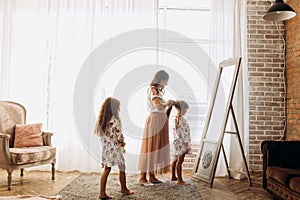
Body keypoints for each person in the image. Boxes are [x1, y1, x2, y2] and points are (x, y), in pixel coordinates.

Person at [138, 70, 175, 184]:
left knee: (152, 147)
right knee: (153, 147)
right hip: (156, 121)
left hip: (158, 120)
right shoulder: (154, 90)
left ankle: (146, 176)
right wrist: (167, 103)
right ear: (161, 80)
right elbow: (158, 106)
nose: (166, 84)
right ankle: (148, 176)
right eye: (166, 81)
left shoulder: (155, 90)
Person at [94, 97, 134, 199]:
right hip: (115, 149)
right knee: (121, 167)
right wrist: (122, 142)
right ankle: (123, 188)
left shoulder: (103, 121)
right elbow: (119, 135)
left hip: (107, 150)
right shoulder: (115, 121)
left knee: (107, 169)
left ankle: (102, 192)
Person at [170, 100, 192, 186]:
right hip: (182, 143)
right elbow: (184, 133)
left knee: (175, 159)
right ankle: (180, 180)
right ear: (182, 109)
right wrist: (186, 145)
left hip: (176, 142)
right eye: (186, 109)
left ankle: (173, 176)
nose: (186, 111)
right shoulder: (181, 119)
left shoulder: (175, 118)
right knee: (180, 161)